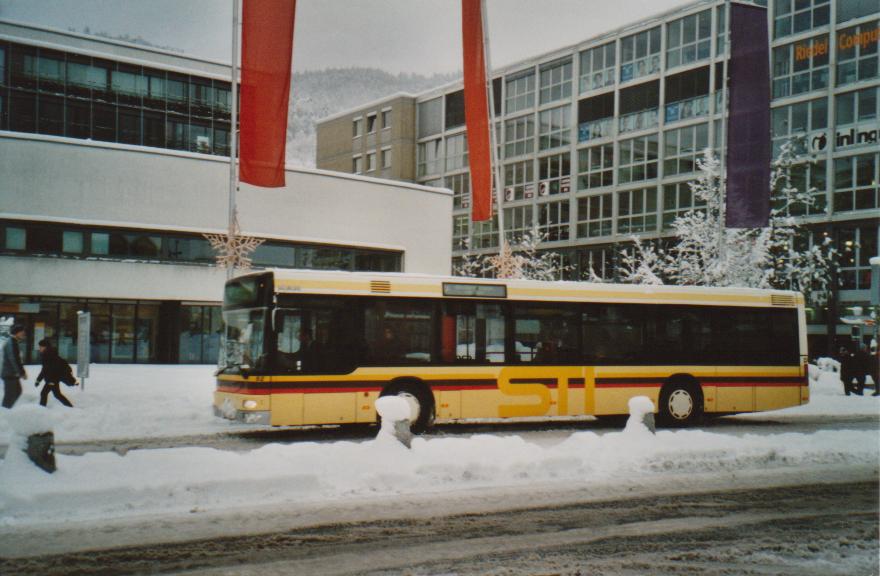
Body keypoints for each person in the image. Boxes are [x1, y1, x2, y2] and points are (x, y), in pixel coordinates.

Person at [35, 339, 76, 408]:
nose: (39, 349)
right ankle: (70, 407)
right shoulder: (48, 355)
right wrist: (38, 380)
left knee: (44, 393)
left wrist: (50, 381)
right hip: (52, 379)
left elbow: (51, 370)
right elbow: (45, 370)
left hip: (52, 379)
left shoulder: (49, 356)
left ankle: (42, 409)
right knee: (56, 394)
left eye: (40, 347)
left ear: (45, 347)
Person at [2, 324, 27, 408]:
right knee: (10, 395)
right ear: (17, 333)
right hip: (9, 373)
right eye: (22, 332)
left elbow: (17, 359)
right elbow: (14, 359)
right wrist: (21, 372)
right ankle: (4, 413)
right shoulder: (11, 342)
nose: (23, 334)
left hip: (12, 373)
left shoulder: (14, 342)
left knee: (17, 391)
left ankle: (6, 410)